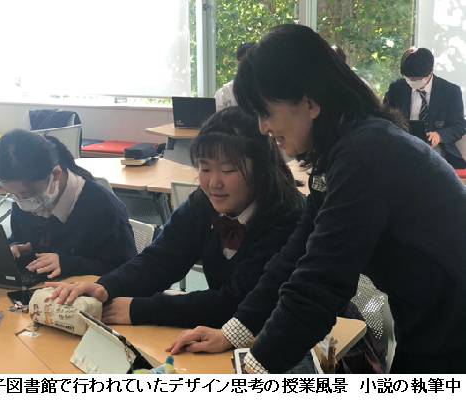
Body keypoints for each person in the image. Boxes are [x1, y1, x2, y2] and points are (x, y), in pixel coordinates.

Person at [167, 24, 466, 374]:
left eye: (266, 112)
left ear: (309, 103)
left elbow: (320, 283)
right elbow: (297, 253)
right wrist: (234, 332)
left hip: (451, 327)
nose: (263, 128)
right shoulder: (347, 146)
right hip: (433, 319)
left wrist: (254, 371)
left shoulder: (364, 155)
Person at [46, 107, 305, 329]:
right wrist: (107, 286)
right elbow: (159, 261)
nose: (213, 182)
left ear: (261, 168)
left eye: (228, 170)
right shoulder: (202, 206)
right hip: (222, 337)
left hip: (280, 337)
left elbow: (238, 301)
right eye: (204, 168)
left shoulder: (287, 217)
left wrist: (142, 309)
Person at [0, 129, 137, 279]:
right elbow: (18, 237)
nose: (21, 202)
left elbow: (126, 271)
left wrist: (69, 264)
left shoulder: (102, 207)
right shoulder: (21, 196)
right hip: (42, 287)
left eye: (27, 194)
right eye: (12, 194)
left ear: (55, 174)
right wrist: (15, 248)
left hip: (85, 290)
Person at [384, 46, 466, 169]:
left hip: (435, 147)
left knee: (426, 162)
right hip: (402, 141)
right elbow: (385, 116)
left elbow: (459, 126)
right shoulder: (396, 87)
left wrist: (439, 135)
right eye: (408, 78)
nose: (412, 81)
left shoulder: (450, 91)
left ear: (430, 71)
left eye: (417, 79)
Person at [214, 42, 256, 112]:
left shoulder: (267, 87)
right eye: (244, 61)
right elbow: (213, 112)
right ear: (237, 62)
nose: (248, 64)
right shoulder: (227, 90)